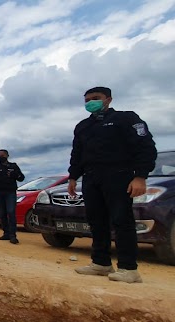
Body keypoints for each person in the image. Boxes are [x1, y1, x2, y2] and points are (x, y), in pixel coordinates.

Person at [69, 86, 157, 283]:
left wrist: (140, 176)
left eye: (96, 98)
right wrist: (73, 177)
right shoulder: (83, 126)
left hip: (118, 176)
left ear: (108, 99)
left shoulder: (126, 119)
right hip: (91, 178)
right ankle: (101, 263)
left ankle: (128, 268)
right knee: (96, 221)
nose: (91, 102)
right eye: (87, 99)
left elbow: (146, 147)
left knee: (121, 221)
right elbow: (77, 154)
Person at [0, 149, 25, 244]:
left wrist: (14, 175)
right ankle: (6, 233)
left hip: (10, 192)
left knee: (11, 212)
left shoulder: (13, 166)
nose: (0, 157)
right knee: (2, 213)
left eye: (2, 155)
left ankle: (13, 235)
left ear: (7, 156)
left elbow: (21, 178)